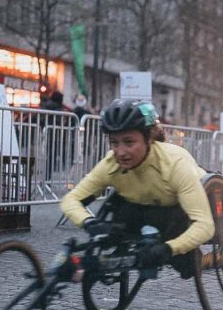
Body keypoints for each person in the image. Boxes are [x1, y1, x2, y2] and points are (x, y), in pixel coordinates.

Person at [60, 99, 214, 279]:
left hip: (176, 211)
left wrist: (169, 248)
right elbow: (70, 200)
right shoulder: (110, 164)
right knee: (115, 223)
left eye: (129, 142)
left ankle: (203, 260)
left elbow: (205, 226)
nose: (120, 152)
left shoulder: (175, 165)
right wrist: (89, 222)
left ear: (148, 139)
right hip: (138, 208)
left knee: (188, 267)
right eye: (114, 143)